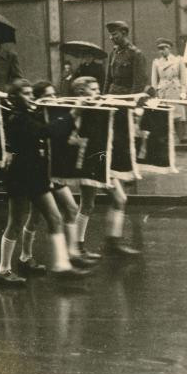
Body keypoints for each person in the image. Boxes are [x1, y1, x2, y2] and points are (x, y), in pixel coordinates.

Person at [0, 79, 90, 285]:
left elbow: (52, 127)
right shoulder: (17, 118)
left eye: (31, 93)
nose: (31, 97)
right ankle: (3, 269)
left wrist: (69, 112)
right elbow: (45, 131)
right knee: (15, 222)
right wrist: (73, 113)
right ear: (15, 98)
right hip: (20, 175)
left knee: (54, 218)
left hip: (36, 174)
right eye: (26, 94)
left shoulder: (31, 113)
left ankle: (61, 265)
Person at [18, 81, 99, 273]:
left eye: (54, 95)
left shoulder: (55, 113)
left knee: (71, 208)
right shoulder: (35, 116)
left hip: (53, 170)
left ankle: (72, 253)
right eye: (48, 96)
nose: (54, 99)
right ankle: (26, 256)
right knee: (36, 217)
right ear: (38, 98)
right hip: (38, 171)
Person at [72, 76, 140, 258]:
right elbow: (70, 129)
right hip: (89, 161)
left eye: (97, 89)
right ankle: (78, 246)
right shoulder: (77, 108)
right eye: (93, 89)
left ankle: (113, 243)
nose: (98, 92)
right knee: (87, 204)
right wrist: (78, 109)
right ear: (81, 92)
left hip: (104, 161)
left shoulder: (100, 106)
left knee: (119, 199)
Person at [151, 38, 187, 144]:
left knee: (179, 114)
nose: (161, 51)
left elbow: (183, 78)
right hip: (163, 91)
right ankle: (165, 137)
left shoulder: (178, 60)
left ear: (169, 48)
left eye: (163, 48)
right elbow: (154, 80)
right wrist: (155, 93)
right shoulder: (156, 62)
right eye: (159, 49)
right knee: (164, 114)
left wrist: (183, 91)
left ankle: (182, 137)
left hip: (175, 90)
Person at [103, 21, 147, 95]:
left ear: (124, 33)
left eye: (114, 34)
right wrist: (104, 96)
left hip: (126, 96)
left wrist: (131, 99)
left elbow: (139, 83)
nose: (111, 38)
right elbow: (108, 79)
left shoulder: (136, 54)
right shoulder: (113, 53)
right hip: (112, 95)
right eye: (110, 35)